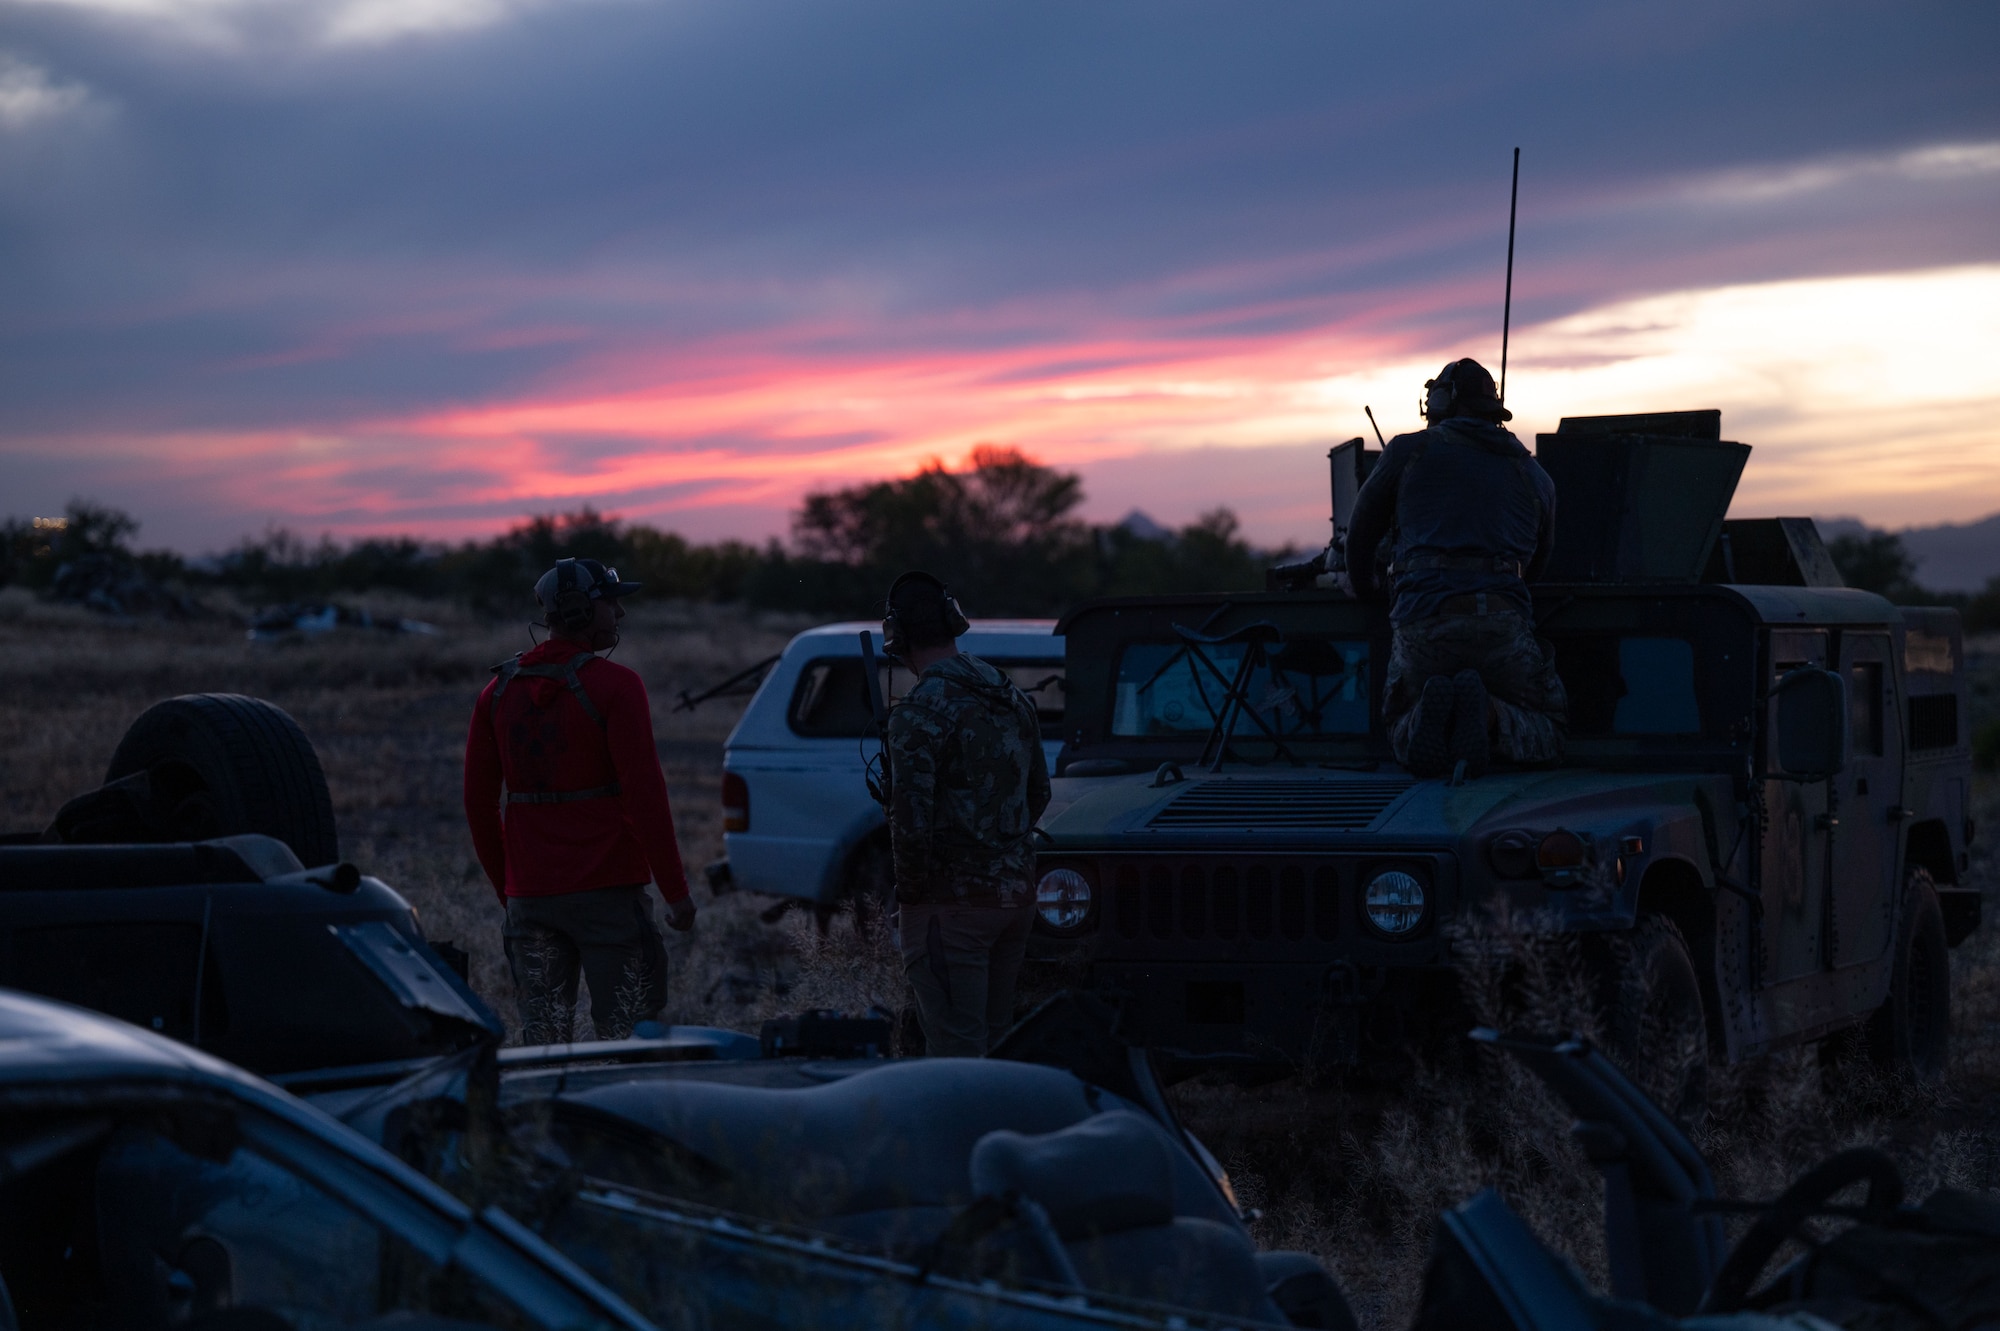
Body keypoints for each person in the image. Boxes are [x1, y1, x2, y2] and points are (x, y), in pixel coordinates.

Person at [463, 557, 697, 1043]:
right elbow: (647, 798)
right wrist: (676, 894)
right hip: (610, 898)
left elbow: (478, 805)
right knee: (629, 1042)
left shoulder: (495, 694)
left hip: (530, 901)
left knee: (543, 1047)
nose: (620, 614)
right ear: (579, 610)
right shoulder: (618, 686)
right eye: (611, 603)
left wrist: (511, 893)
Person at [1344, 357, 1566, 778]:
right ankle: (1488, 714)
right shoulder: (1536, 474)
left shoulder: (1407, 451)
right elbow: (1537, 567)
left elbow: (1359, 536)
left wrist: (1369, 589)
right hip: (1503, 627)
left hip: (1423, 625)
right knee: (1550, 729)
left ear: (1441, 403)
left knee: (1398, 720)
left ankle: (1422, 715)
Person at [882, 572, 1051, 1056]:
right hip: (1015, 899)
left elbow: (910, 828)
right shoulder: (1009, 693)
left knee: (956, 1055)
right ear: (952, 621)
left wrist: (911, 899)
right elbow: (1039, 792)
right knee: (997, 1047)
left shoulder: (917, 713)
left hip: (951, 911)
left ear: (897, 635)